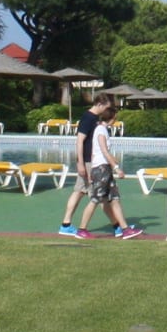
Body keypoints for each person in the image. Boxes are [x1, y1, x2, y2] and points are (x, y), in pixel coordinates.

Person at [60, 99, 140, 239]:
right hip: (94, 165)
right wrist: (81, 163)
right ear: (100, 104)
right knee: (93, 197)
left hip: (96, 164)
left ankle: (121, 227)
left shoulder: (98, 124)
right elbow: (82, 142)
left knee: (110, 198)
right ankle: (75, 227)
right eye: (106, 107)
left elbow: (97, 149)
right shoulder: (91, 120)